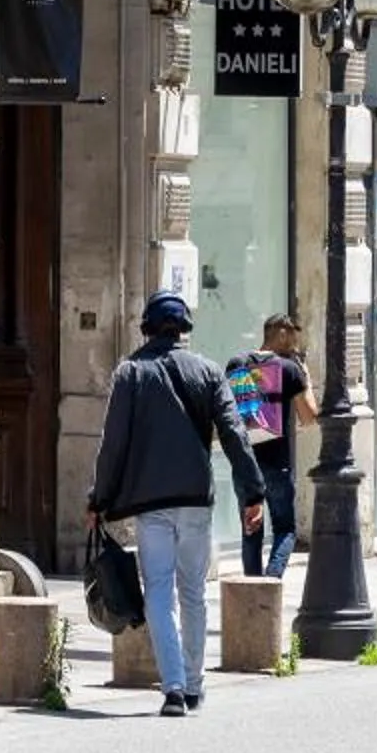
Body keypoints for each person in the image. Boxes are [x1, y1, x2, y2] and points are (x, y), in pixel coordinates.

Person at [87, 287, 266, 716]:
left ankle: (172, 689)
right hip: (196, 499)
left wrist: (99, 498)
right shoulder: (208, 371)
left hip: (152, 503)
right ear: (184, 329)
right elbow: (235, 435)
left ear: (147, 329)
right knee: (193, 592)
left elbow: (113, 445)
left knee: (158, 592)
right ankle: (194, 684)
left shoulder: (130, 373)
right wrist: (253, 492)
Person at [226, 313, 317, 579]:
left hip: (245, 463)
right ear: (281, 333)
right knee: (285, 529)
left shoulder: (236, 363)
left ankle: (252, 589)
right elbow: (309, 417)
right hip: (277, 463)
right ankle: (271, 580)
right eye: (293, 337)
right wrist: (306, 380)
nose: (295, 345)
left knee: (250, 529)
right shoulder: (288, 369)